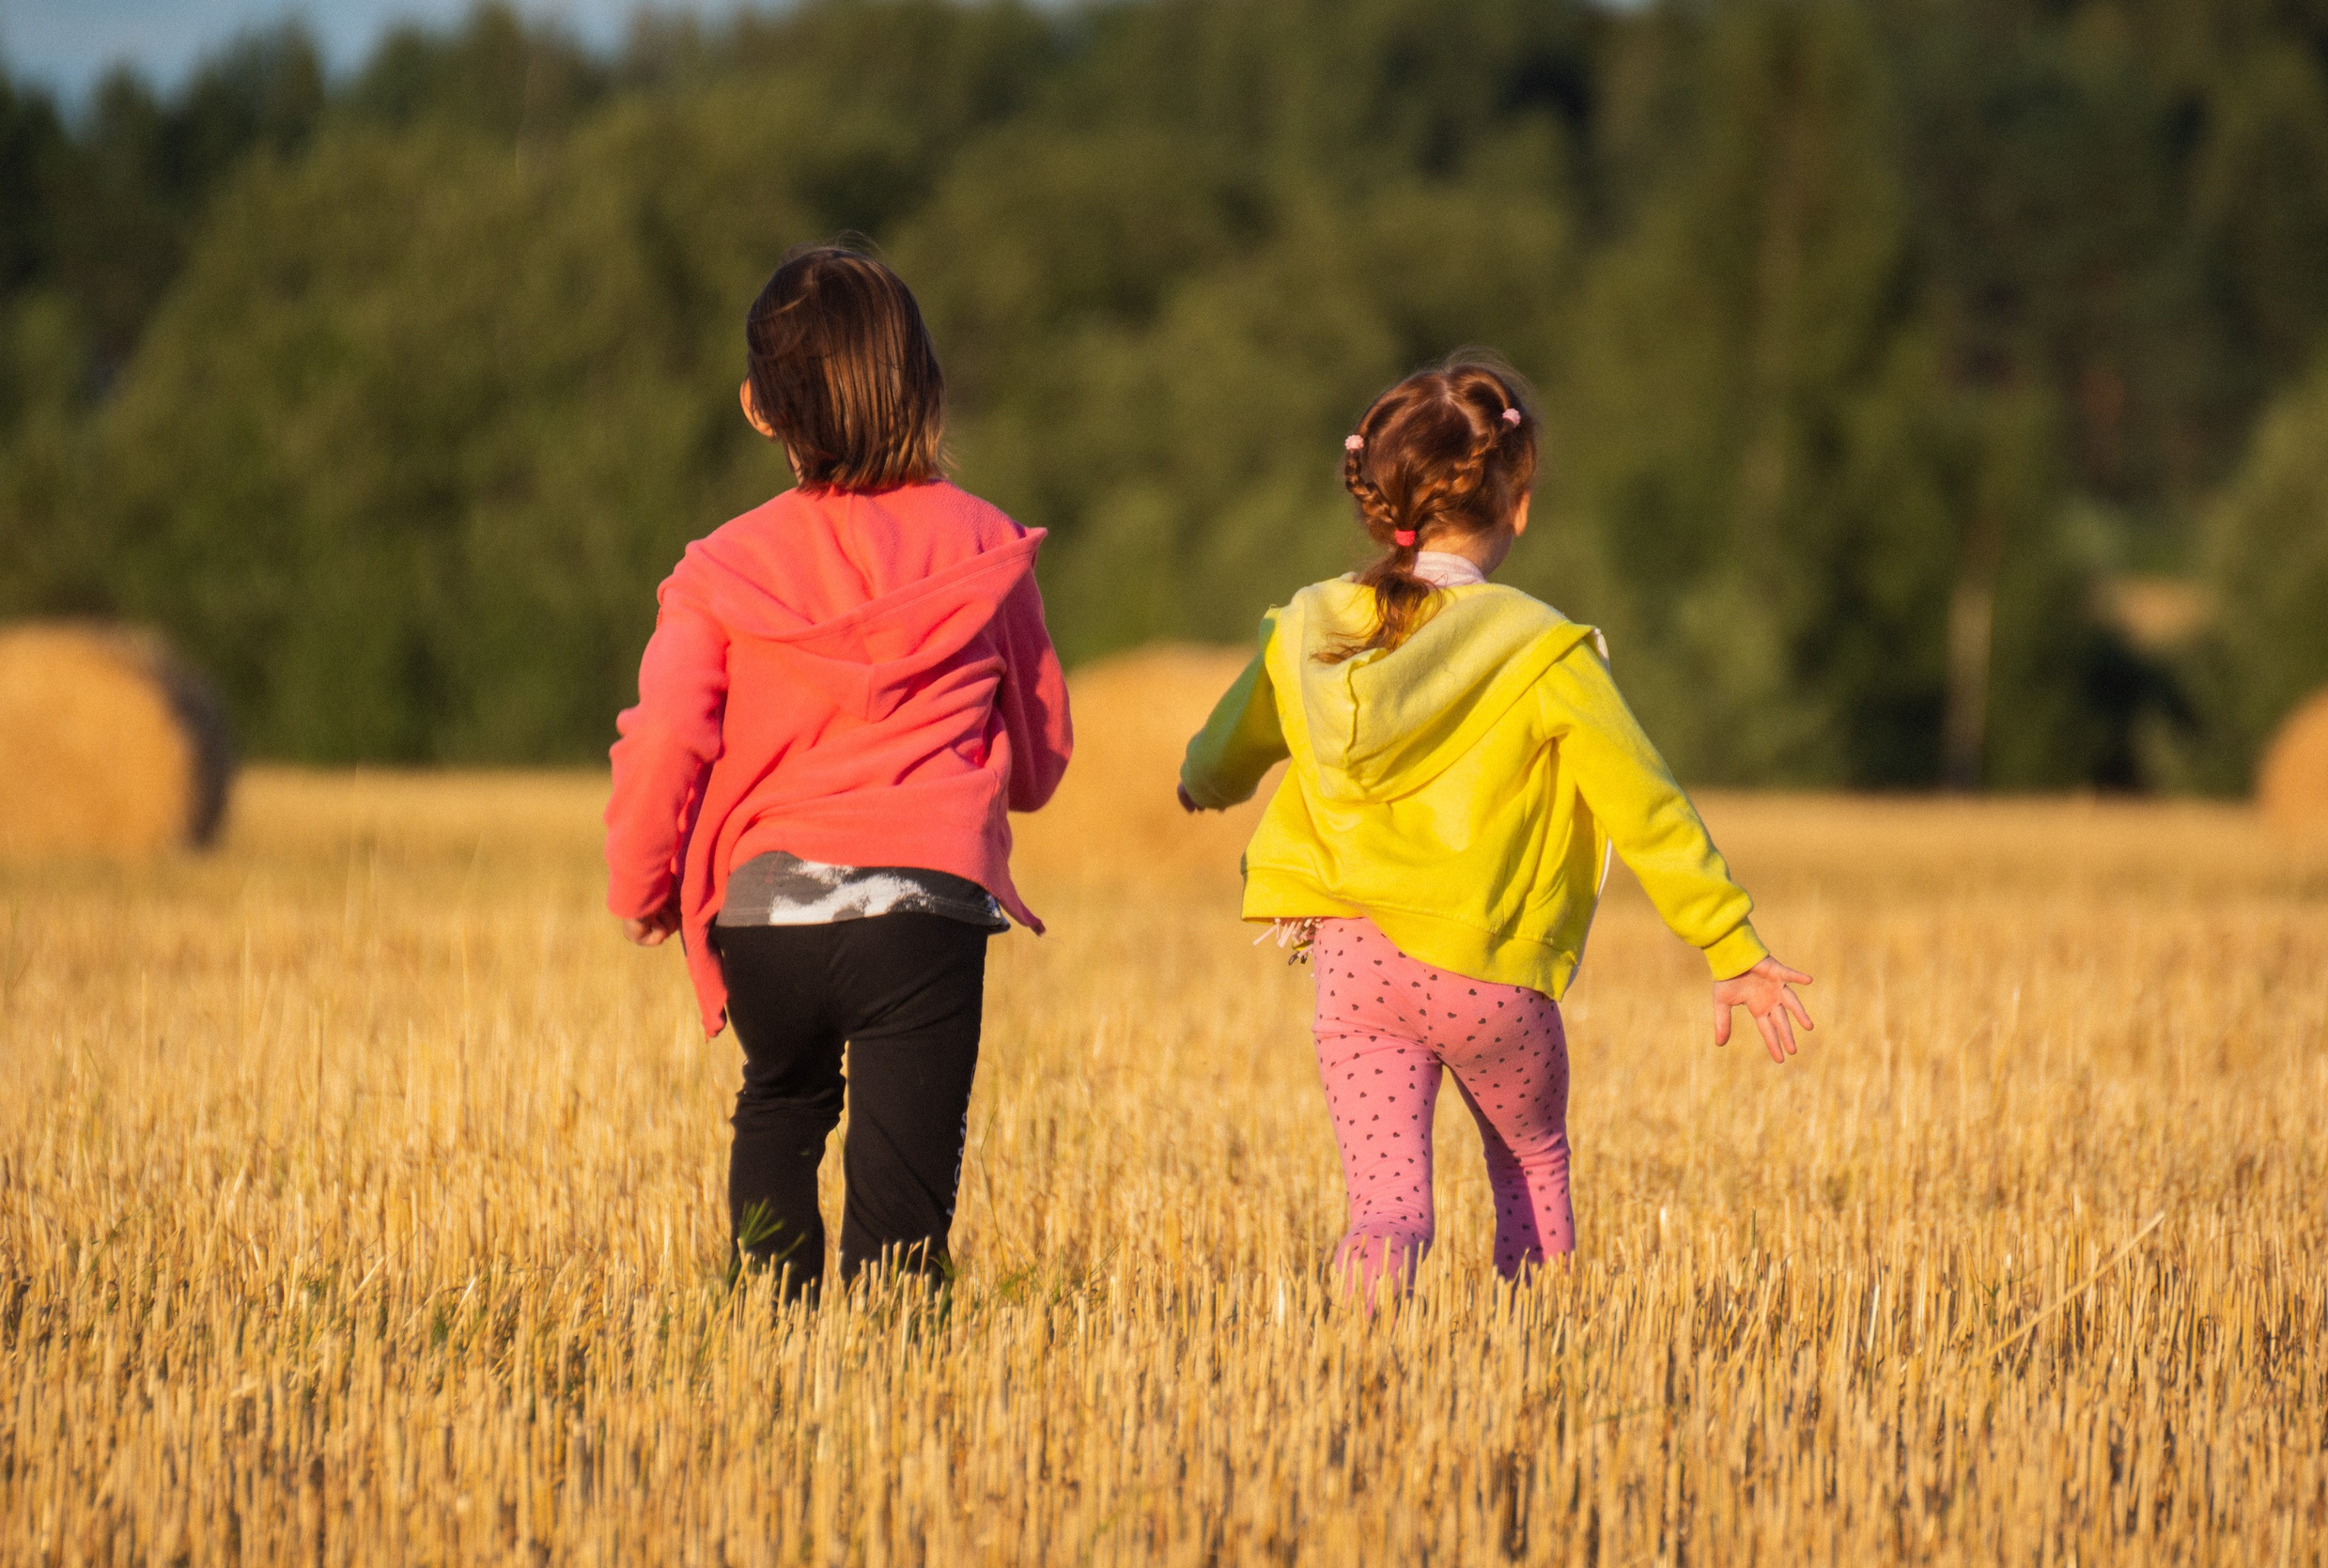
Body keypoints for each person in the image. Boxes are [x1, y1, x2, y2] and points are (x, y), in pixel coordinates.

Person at [1177, 357, 1809, 1309]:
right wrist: (1727, 945)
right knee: (1531, 1167)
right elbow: (1646, 805)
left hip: (1354, 966)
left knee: (1385, 1212)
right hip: (1489, 976)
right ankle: (1541, 1342)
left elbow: (1227, 749)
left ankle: (1356, 1358)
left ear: (1373, 500)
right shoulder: (1541, 646)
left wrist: (1200, 783)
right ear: (1516, 503)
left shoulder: (1306, 625)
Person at [606, 244, 1072, 1300]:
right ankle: (889, 1365)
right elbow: (1039, 757)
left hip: (764, 912)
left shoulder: (720, 566)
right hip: (922, 913)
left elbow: (667, 734)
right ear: (922, 384)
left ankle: (773, 1331)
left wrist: (641, 887)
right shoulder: (987, 548)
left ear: (758, 409)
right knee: (902, 1191)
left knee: (779, 1102)